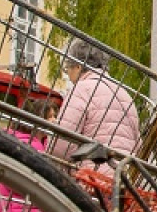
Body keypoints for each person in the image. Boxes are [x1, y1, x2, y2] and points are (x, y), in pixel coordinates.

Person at [52, 40, 140, 171]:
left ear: (78, 66)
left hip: (92, 178)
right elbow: (137, 144)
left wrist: (51, 133)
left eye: (68, 68)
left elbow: (62, 147)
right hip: (124, 177)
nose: (68, 75)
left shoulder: (81, 89)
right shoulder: (124, 94)